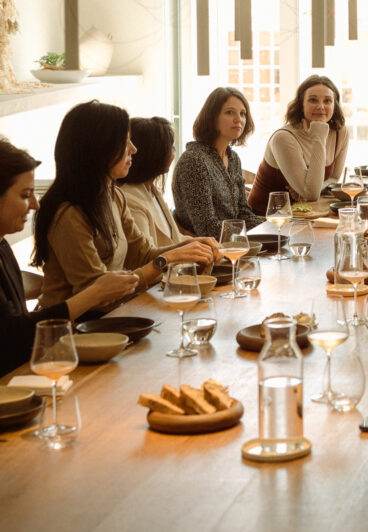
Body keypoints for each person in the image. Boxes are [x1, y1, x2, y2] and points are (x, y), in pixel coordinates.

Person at [33, 101, 214, 308]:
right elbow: (96, 293)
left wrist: (192, 247)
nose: (134, 149)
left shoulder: (114, 196)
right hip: (77, 324)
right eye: (124, 142)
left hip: (116, 313)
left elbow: (142, 254)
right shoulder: (69, 213)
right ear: (98, 149)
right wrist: (168, 259)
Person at [0, 137, 137, 376]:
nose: (35, 205)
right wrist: (95, 292)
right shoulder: (69, 212)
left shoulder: (2, 245)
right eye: (25, 195)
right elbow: (13, 335)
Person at [248, 75, 349, 214]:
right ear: (301, 105)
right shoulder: (283, 138)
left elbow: (334, 179)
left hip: (305, 213)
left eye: (327, 101)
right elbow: (312, 194)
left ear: (335, 106)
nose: (321, 106)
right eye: (313, 100)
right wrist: (319, 138)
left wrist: (306, 192)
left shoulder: (340, 132)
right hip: (267, 218)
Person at [172, 87, 261, 238]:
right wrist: (249, 236)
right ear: (212, 117)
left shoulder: (233, 158)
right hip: (208, 249)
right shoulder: (194, 161)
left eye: (242, 113)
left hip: (236, 244)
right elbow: (207, 228)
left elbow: (243, 212)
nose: (238, 119)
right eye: (229, 112)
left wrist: (271, 231)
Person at [120, 116, 184, 247]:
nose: (174, 153)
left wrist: (203, 242)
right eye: (170, 148)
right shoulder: (131, 199)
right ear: (153, 154)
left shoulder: (152, 191)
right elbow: (146, 253)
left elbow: (175, 239)